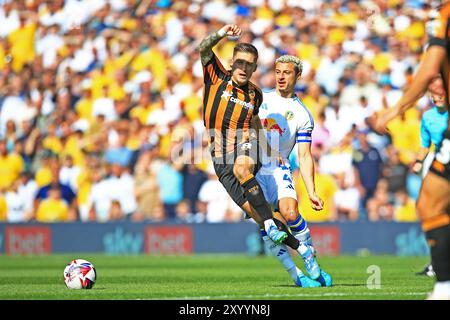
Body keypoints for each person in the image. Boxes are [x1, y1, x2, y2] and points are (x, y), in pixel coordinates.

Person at [369, 1, 450, 300]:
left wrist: (396, 109)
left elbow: (430, 68)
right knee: (431, 200)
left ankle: (444, 288)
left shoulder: (444, 15)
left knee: (430, 204)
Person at [199, 24, 288, 245]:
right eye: (239, 62)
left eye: (249, 65)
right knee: (261, 216)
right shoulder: (216, 77)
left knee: (242, 168)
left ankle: (271, 225)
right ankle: (304, 254)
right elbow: (203, 48)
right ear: (231, 63)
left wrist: (268, 149)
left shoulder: (255, 94)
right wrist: (221, 33)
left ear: (254, 68)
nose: (243, 68)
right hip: (220, 158)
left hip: (244, 145)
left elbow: (255, 121)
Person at [255, 55, 332, 287]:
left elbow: (305, 155)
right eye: (277, 71)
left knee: (290, 213)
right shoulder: (261, 99)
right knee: (268, 225)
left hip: (279, 168)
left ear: (297, 76)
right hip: (253, 168)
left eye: (286, 72)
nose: (280, 76)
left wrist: (312, 191)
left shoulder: (302, 114)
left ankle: (310, 257)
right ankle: (296, 276)